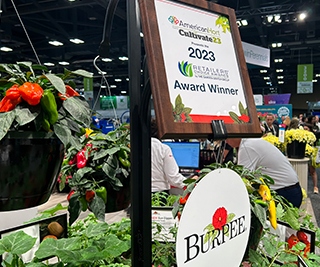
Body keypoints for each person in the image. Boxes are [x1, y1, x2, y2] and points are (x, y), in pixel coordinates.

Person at [227, 138, 303, 208]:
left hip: (284, 193)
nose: (226, 142)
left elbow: (243, 179)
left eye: (226, 138)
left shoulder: (247, 147)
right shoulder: (250, 141)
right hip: (290, 189)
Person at [150, 119, 198, 195]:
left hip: (139, 195)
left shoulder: (136, 147)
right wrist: (189, 184)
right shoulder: (163, 149)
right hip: (160, 193)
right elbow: (173, 177)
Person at [303, 123, 318, 194]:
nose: (305, 130)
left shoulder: (312, 136)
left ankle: (315, 187)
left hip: (310, 154)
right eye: (304, 129)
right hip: (302, 155)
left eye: (306, 129)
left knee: (312, 171)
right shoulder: (301, 135)